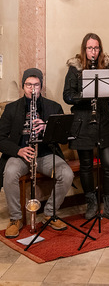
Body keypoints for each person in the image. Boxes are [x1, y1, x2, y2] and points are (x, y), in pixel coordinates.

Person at [0, 68, 74, 238]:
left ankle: (49, 213)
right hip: (21, 155)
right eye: (28, 85)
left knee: (66, 174)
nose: (32, 89)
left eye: (36, 85)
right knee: (9, 172)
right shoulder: (11, 109)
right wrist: (18, 150)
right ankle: (15, 218)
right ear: (23, 86)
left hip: (45, 154)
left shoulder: (53, 107)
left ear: (41, 86)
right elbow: (0, 138)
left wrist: (48, 128)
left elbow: (64, 139)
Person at [63, 32, 109, 222]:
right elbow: (67, 96)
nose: (93, 52)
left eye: (96, 48)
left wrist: (102, 90)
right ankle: (91, 204)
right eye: (90, 48)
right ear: (84, 49)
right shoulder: (75, 69)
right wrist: (86, 94)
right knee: (87, 166)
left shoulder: (107, 66)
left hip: (104, 121)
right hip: (83, 122)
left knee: (108, 165)